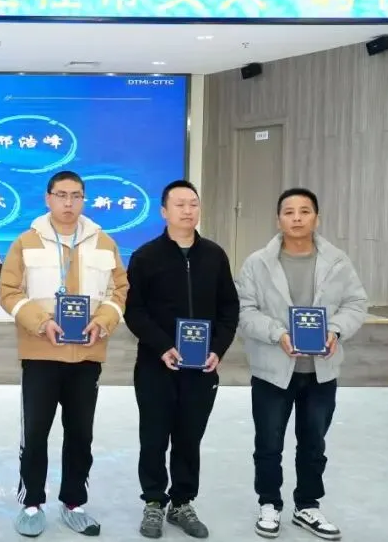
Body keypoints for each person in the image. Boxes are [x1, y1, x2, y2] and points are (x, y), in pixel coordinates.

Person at [0, 171, 128, 538]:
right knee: (35, 433)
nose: (69, 203)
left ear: (84, 199)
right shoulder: (27, 242)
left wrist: (102, 321)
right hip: (41, 353)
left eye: (76, 196)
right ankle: (31, 503)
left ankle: (74, 502)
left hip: (87, 355)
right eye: (61, 195)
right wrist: (41, 323)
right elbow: (8, 290)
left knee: (80, 434)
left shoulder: (104, 242)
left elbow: (120, 291)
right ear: (48, 198)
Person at [236, 188, 367, 541]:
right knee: (268, 443)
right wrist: (278, 333)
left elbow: (356, 303)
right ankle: (269, 503)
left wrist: (335, 330)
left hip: (321, 371)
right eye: (289, 211)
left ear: (316, 218)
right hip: (272, 370)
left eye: (304, 211)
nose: (297, 218)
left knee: (313, 444)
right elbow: (245, 311)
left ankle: (307, 505)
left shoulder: (337, 261)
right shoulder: (257, 263)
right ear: (278, 219)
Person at [124, 180, 240, 539]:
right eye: (179, 204)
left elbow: (229, 308)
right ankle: (154, 501)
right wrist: (162, 346)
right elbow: (134, 311)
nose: (188, 210)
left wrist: (217, 348)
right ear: (164, 211)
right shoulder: (145, 257)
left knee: (189, 438)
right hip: (156, 365)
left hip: (201, 368)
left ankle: (182, 502)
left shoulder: (215, 256)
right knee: (154, 436)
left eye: (193, 204)